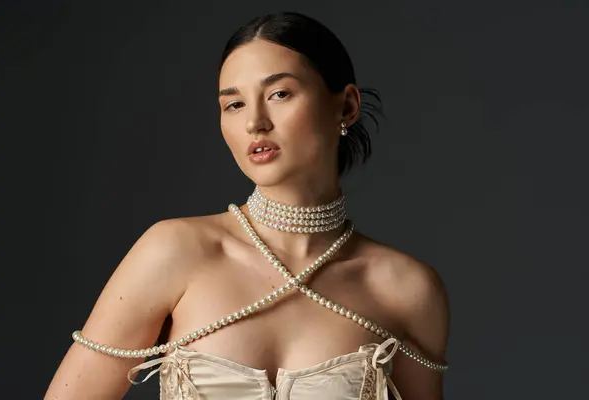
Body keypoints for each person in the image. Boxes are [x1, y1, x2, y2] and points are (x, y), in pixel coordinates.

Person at [44, 11, 450, 400]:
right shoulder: (174, 251)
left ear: (346, 106)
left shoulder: (406, 289)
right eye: (234, 104)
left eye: (279, 94)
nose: (255, 122)